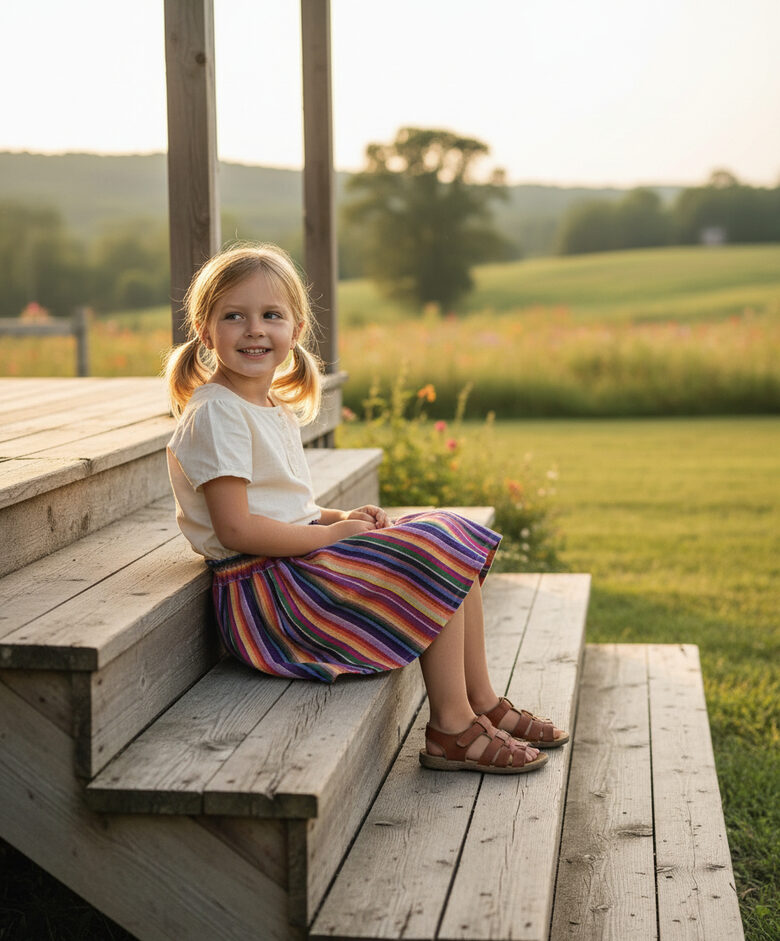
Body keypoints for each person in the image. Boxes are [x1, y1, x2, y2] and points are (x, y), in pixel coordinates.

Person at [165, 243, 568, 775]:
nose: (254, 329)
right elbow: (238, 528)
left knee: (446, 535)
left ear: (296, 327)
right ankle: (452, 727)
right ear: (205, 327)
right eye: (234, 316)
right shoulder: (216, 413)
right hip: (271, 595)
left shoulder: (266, 406)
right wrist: (333, 538)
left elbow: (287, 508)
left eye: (271, 315)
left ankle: (482, 701)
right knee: (431, 552)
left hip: (293, 567)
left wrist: (340, 518)